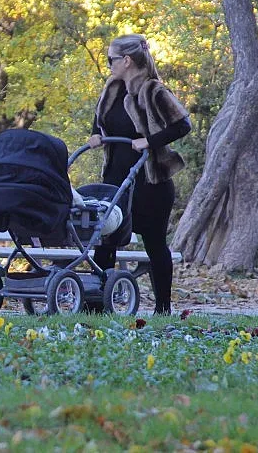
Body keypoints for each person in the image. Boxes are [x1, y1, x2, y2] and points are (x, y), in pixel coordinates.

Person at [88, 34, 191, 316]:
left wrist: (150, 140)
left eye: (111, 59)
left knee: (155, 243)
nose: (108, 65)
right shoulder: (111, 89)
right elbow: (99, 120)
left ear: (127, 61)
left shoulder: (153, 91)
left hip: (149, 181)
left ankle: (162, 308)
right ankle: (97, 307)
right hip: (115, 179)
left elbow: (183, 125)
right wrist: (96, 134)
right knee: (105, 238)